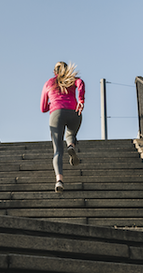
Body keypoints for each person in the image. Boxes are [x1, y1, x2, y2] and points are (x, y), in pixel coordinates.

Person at [40, 61, 85, 193]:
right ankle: (71, 145)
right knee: (71, 133)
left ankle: (59, 180)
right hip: (74, 112)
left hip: (56, 114)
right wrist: (81, 100)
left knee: (58, 150)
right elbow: (80, 83)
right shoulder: (73, 79)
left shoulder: (49, 83)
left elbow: (43, 108)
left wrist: (53, 103)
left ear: (55, 72)